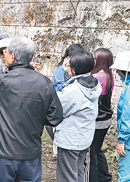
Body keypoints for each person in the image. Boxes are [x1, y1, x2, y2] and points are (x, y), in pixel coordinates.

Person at [0, 37, 63, 182]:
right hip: (30, 153)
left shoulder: (1, 80)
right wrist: (37, 117)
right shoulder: (44, 82)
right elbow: (56, 117)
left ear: (13, 56)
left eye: (6, 53)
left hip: (3, 153)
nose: (4, 56)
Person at [54, 51, 101, 182]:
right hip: (84, 137)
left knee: (67, 176)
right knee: (79, 172)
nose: (66, 68)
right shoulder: (93, 83)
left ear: (74, 70)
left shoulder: (74, 90)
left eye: (68, 66)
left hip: (70, 139)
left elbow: (59, 110)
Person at [110, 51, 130, 182]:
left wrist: (122, 140)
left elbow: (129, 117)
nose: (117, 74)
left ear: (125, 71)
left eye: (118, 71)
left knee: (126, 176)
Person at [89, 48, 114, 182]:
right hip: (106, 118)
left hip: (97, 121)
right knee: (97, 150)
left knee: (92, 153)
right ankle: (105, 177)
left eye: (94, 58)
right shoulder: (109, 74)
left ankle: (94, 178)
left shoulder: (97, 77)